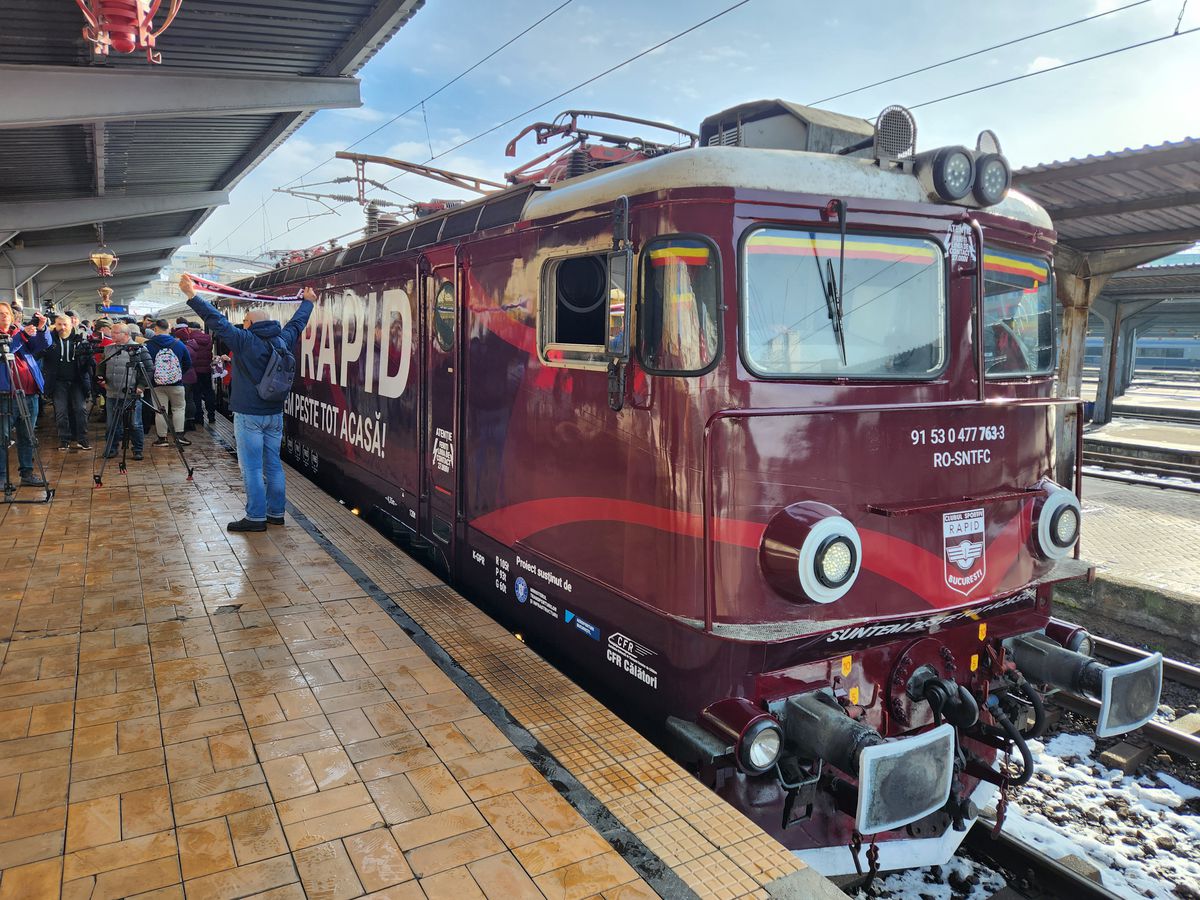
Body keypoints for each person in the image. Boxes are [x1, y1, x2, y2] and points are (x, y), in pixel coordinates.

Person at [180, 273, 314, 532]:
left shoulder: (244, 340)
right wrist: (307, 302)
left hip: (249, 415)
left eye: (244, 320)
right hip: (274, 413)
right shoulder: (282, 339)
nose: (241, 324)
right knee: (273, 464)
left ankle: (255, 517)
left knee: (251, 468)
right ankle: (276, 513)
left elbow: (216, 321)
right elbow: (297, 324)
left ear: (251, 323)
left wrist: (191, 295)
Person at [0, 302, 50, 488]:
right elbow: (6, 350)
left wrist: (41, 328)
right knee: (2, 436)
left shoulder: (18, 330)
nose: (4, 316)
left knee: (28, 434)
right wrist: (22, 335)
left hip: (29, 392)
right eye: (0, 313)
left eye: (7, 313)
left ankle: (27, 473)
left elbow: (42, 344)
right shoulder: (14, 334)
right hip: (6, 395)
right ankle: (2, 477)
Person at [99, 323, 152, 460]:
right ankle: (111, 449)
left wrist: (141, 386)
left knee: (135, 423)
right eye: (112, 332)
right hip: (112, 393)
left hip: (132, 394)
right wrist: (101, 379)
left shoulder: (140, 349)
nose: (112, 335)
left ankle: (138, 449)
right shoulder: (108, 349)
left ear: (126, 334)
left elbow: (149, 369)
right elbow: (101, 366)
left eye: (116, 333)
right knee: (112, 424)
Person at [42, 314, 93, 451]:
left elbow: (88, 363)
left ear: (72, 325)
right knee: (61, 411)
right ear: (55, 325)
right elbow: (40, 355)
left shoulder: (80, 340)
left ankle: (82, 439)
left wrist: (87, 355)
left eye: (65, 324)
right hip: (58, 382)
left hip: (77, 381)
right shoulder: (49, 341)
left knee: (81, 409)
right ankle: (64, 439)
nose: (62, 327)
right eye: (59, 324)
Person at [144, 319, 193, 448]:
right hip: (177, 383)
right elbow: (188, 362)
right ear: (169, 328)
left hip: (157, 384)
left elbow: (145, 364)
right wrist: (179, 373)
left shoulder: (148, 345)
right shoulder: (179, 344)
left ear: (155, 329)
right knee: (178, 409)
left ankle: (162, 438)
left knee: (160, 411)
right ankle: (179, 436)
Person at [185, 321, 216, 426]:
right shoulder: (208, 338)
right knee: (209, 392)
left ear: (190, 329)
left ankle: (199, 417)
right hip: (206, 370)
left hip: (195, 371)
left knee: (196, 395)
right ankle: (212, 416)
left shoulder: (189, 339)